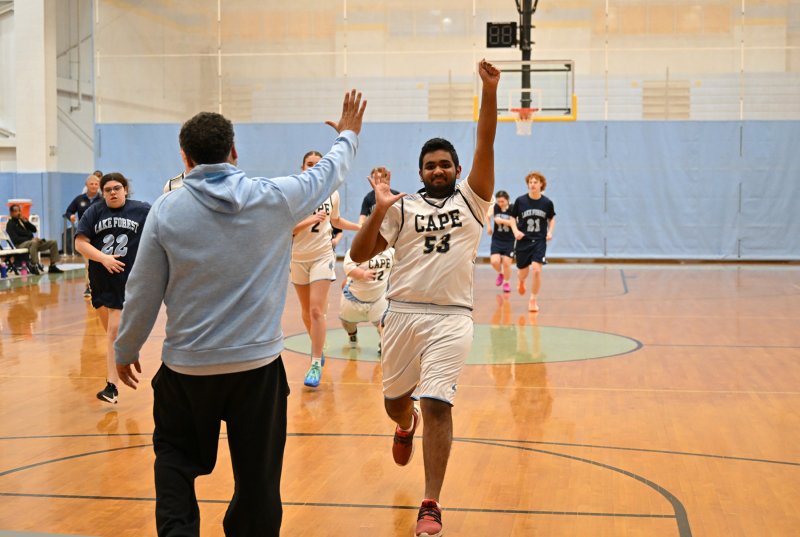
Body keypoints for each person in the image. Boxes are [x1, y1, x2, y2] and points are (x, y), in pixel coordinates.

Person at [112, 91, 366, 537]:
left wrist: (127, 346)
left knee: (174, 462)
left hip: (187, 370)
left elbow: (142, 289)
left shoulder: (166, 210)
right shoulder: (276, 198)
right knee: (258, 481)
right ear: (233, 151)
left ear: (185, 158)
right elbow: (330, 171)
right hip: (257, 372)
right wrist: (348, 133)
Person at [350, 59, 499, 537]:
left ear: (456, 170)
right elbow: (358, 251)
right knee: (397, 403)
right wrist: (377, 208)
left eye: (445, 164)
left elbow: (485, 142)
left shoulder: (473, 200)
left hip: (453, 318)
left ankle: (431, 502)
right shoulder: (403, 206)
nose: (438, 169)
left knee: (439, 403)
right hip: (402, 315)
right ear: (420, 171)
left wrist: (490, 91)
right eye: (430, 165)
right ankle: (402, 424)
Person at [74, 173, 151, 404]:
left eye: (117, 188)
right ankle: (126, 355)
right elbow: (80, 243)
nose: (113, 192)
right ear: (102, 193)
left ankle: (111, 386)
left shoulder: (142, 210)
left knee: (114, 332)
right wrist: (104, 258)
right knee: (112, 334)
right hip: (101, 279)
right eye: (108, 190)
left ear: (126, 189)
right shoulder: (94, 212)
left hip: (127, 279)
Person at [291, 151, 361, 389]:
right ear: (302, 167)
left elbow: (336, 221)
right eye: (309, 164)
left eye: (317, 165)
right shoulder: (294, 193)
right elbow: (287, 229)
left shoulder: (332, 193)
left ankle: (314, 363)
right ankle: (317, 349)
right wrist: (310, 220)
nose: (313, 168)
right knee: (304, 311)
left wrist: (359, 227)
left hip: (322, 256)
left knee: (316, 311)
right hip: (297, 259)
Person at [509, 171, 556, 312]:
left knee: (536, 270)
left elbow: (552, 218)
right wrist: (516, 231)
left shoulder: (547, 202)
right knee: (523, 272)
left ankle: (533, 300)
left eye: (535, 182)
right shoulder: (520, 201)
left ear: (541, 184)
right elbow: (512, 217)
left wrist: (550, 232)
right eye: (530, 182)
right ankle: (521, 280)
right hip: (524, 240)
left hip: (539, 241)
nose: (532, 184)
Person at [339, 244, 395, 354]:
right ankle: (352, 334)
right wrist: (362, 274)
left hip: (379, 297)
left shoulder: (391, 252)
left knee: (383, 323)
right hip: (354, 297)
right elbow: (348, 268)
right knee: (347, 324)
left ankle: (383, 343)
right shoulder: (357, 250)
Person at [64, 173, 103, 296]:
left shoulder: (103, 199)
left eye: (96, 184)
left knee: (101, 260)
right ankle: (88, 286)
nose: (94, 186)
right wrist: (71, 216)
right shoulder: (79, 199)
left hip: (100, 233)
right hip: (85, 234)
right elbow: (68, 211)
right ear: (87, 185)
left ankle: (102, 286)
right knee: (88, 262)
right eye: (91, 184)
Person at [6, 204, 64, 275]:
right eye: (16, 211)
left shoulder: (22, 221)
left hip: (32, 243)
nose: (18, 213)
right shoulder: (10, 224)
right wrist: (31, 239)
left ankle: (52, 266)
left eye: (19, 211)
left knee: (53, 242)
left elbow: (34, 230)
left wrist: (26, 222)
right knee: (33, 243)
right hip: (20, 245)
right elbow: (15, 239)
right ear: (11, 213)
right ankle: (33, 265)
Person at [486, 190, 515, 293]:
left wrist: (502, 221)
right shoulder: (495, 207)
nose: (500, 203)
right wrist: (489, 227)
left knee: (507, 263)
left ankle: (507, 283)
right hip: (497, 239)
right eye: (499, 201)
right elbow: (487, 215)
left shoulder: (513, 208)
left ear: (507, 200)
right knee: (494, 261)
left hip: (509, 240)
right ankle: (501, 273)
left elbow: (515, 223)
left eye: (502, 201)